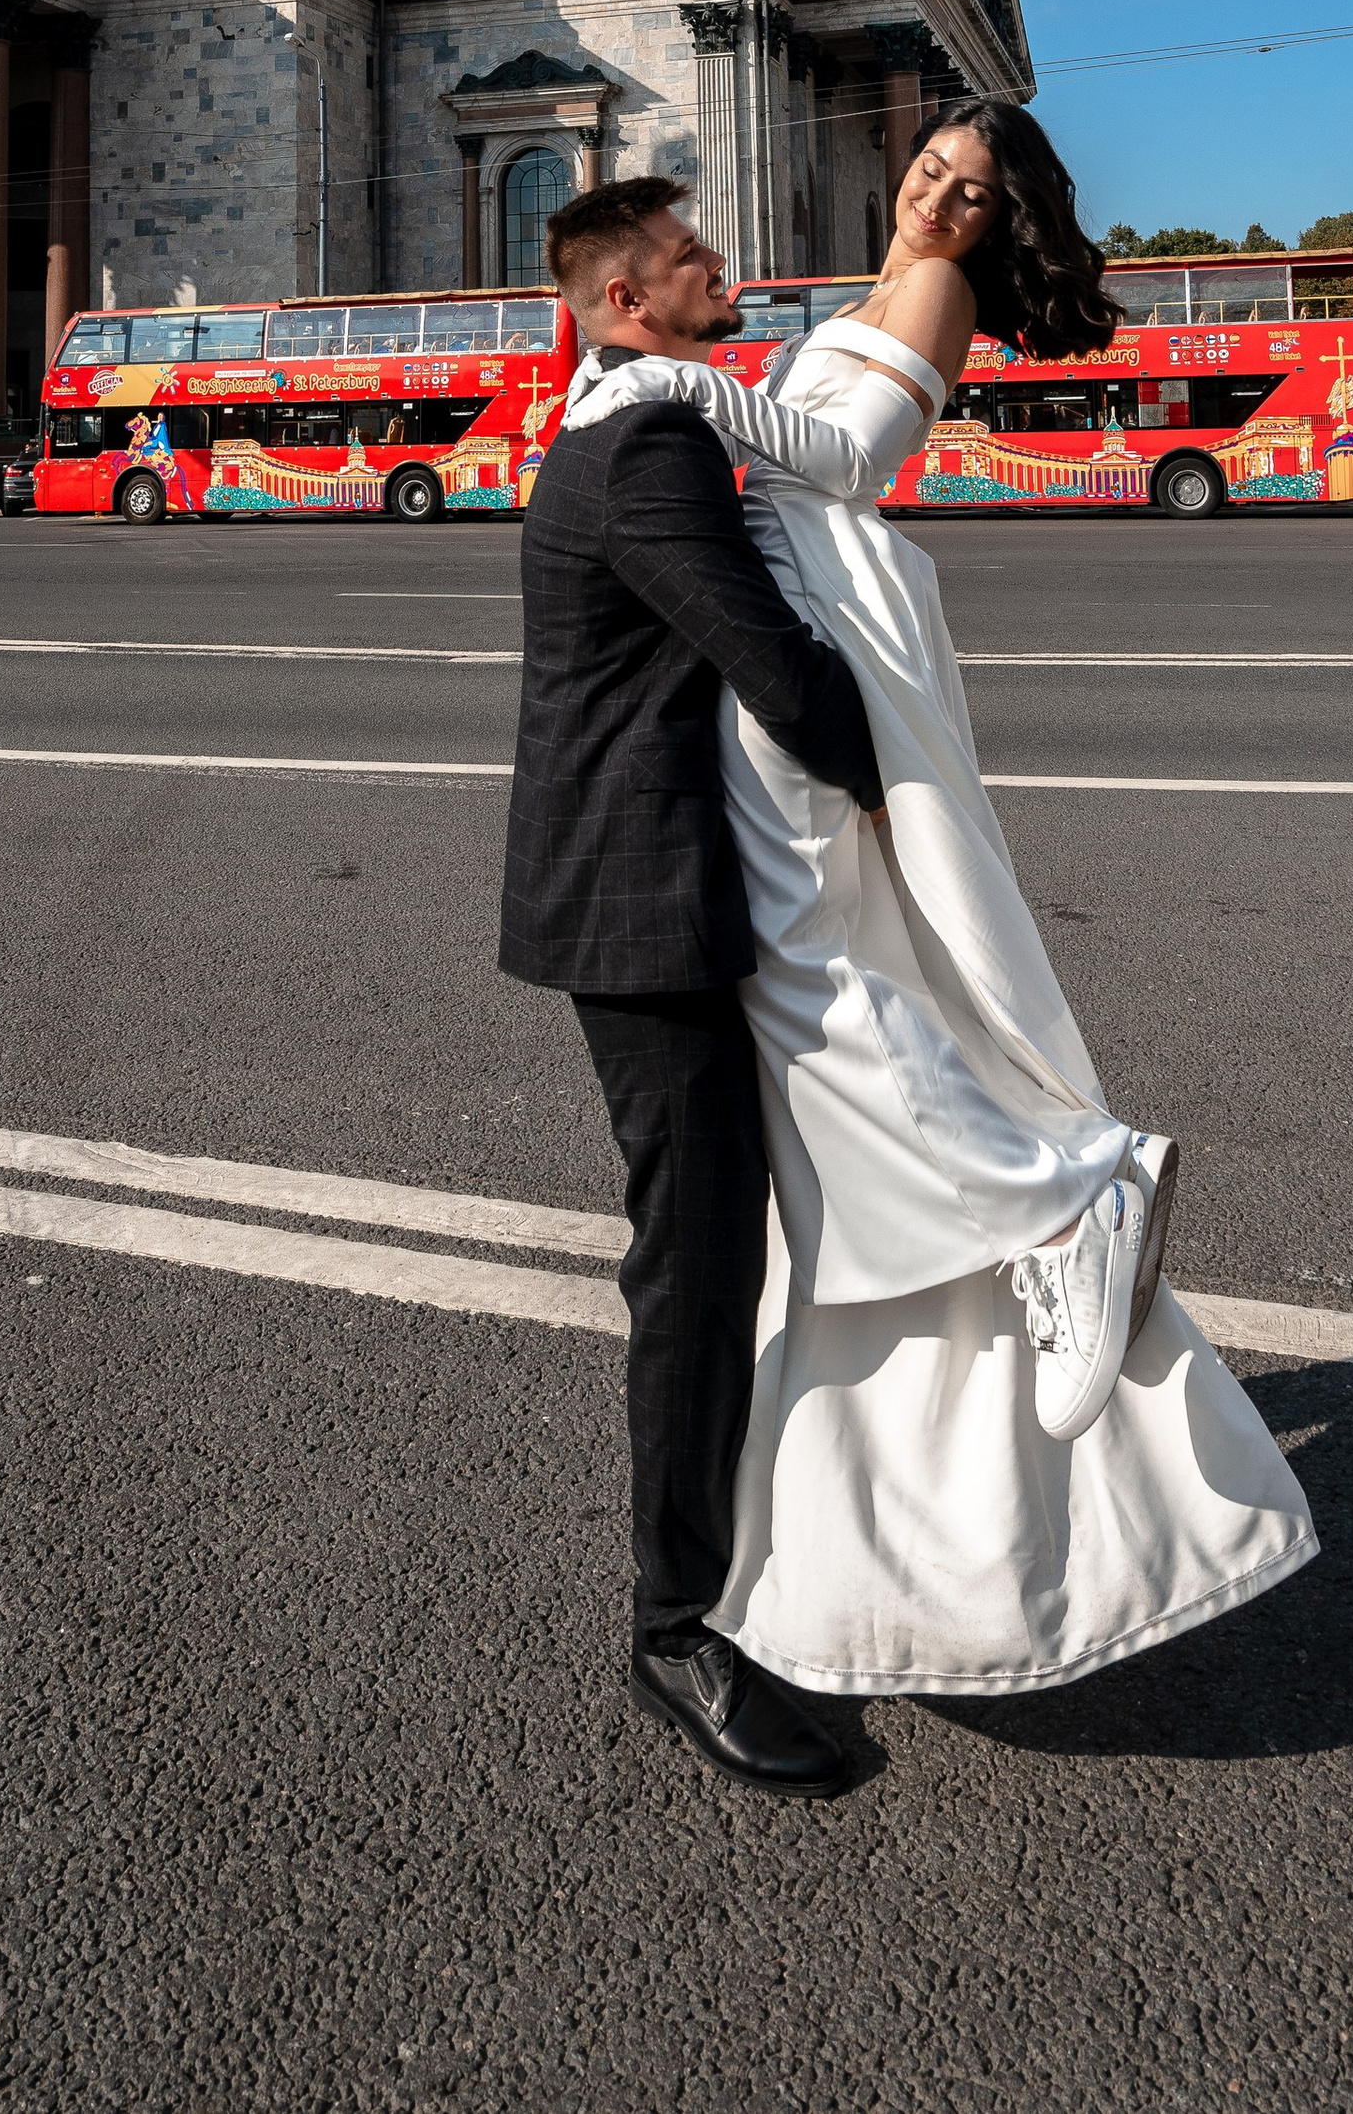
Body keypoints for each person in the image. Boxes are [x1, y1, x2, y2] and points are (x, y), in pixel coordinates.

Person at [549, 106, 1315, 1717]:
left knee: (828, 974)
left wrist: (669, 384)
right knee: (848, 982)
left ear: (1000, 219)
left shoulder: (928, 299)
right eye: (934, 167)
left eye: (975, 190)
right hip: (807, 611)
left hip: (831, 627)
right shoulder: (847, 302)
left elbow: (839, 462)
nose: (940, 195)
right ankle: (1013, 1256)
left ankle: (1066, 1199)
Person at [502, 178, 887, 1798]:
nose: (720, 268)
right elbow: (773, 664)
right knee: (698, 1265)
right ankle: (676, 1624)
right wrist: (913, 800)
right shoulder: (645, 447)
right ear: (622, 302)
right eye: (687, 259)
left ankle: (766, 1542)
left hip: (667, 884)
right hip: (643, 903)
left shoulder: (630, 418)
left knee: (737, 1246)